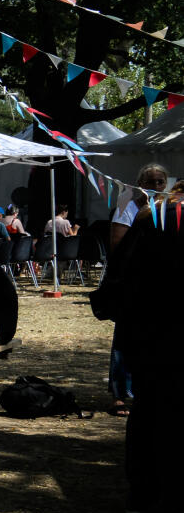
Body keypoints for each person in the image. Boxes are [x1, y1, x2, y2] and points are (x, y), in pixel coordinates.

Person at [93, 183, 184, 513]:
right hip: (168, 331)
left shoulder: (152, 217)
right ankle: (170, 502)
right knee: (171, 414)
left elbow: (120, 273)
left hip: (143, 331)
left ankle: (143, 495)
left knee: (148, 410)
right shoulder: (170, 219)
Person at [106, 165, 168, 416]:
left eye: (160, 181)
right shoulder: (128, 207)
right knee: (124, 340)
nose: (155, 186)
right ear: (140, 183)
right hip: (132, 284)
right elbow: (117, 247)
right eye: (150, 181)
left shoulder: (168, 209)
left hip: (161, 284)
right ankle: (119, 395)